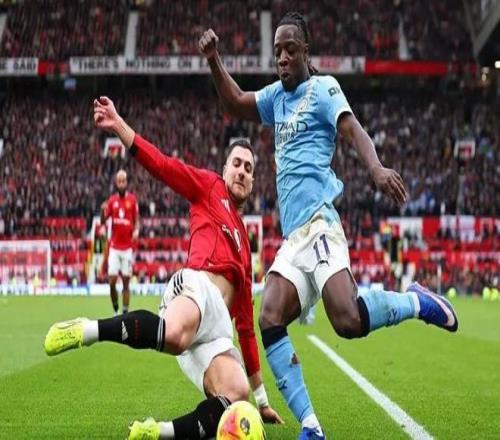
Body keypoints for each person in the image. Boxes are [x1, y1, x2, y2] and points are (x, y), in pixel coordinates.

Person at [199, 12, 458, 439]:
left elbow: (351, 129)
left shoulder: (323, 89)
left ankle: (416, 302)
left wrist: (375, 168)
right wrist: (214, 60)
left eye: (290, 50)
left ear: (305, 52)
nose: (282, 58)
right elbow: (235, 102)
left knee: (347, 320)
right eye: (278, 51)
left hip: (320, 224)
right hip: (293, 239)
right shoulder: (275, 98)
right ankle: (311, 426)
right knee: (270, 316)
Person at [44, 96, 283, 440]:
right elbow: (162, 165)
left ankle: (157, 432)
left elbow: (245, 328)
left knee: (236, 393)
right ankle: (85, 329)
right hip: (197, 288)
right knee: (173, 336)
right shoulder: (209, 186)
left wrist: (261, 401)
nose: (242, 171)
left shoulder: (246, 246)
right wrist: (119, 126)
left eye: (248, 168)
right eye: (237, 163)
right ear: (224, 168)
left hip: (217, 331)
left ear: (253, 180)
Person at [100, 169, 139, 314]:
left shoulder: (132, 200)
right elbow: (103, 220)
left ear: (126, 182)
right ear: (116, 183)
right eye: (119, 181)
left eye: (123, 181)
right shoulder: (112, 201)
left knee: (126, 283)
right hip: (114, 248)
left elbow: (136, 220)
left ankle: (125, 313)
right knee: (112, 282)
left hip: (127, 248)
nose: (121, 183)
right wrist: (102, 210)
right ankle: (116, 310)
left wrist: (136, 230)